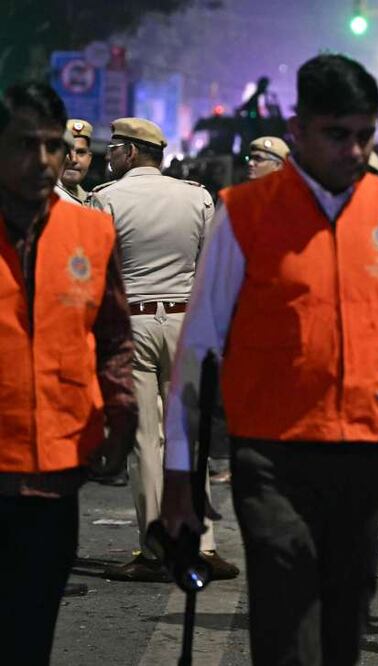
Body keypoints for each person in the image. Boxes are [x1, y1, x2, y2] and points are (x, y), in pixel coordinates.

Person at [160, 54, 378, 665]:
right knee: (287, 599)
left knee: (346, 609)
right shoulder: (244, 212)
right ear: (298, 129)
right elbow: (197, 351)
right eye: (337, 134)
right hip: (272, 454)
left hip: (366, 449)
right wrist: (179, 480)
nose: (354, 150)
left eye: (365, 135)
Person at [0, 81, 136, 666]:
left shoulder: (91, 230)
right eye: (25, 144)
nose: (44, 161)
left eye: (53, 146)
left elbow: (112, 338)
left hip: (56, 473)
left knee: (32, 636)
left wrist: (122, 414)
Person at [88, 117, 236, 582]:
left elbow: (98, 270)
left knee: (144, 441)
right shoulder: (196, 196)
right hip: (185, 321)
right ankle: (203, 545)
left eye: (113, 147)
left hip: (130, 322)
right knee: (189, 437)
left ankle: (154, 547)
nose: (106, 155)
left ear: (131, 153)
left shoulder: (105, 199)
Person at [55, 118, 93, 204]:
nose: (74, 159)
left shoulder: (94, 201)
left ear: (89, 159)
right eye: (66, 151)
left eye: (81, 152)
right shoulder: (44, 199)